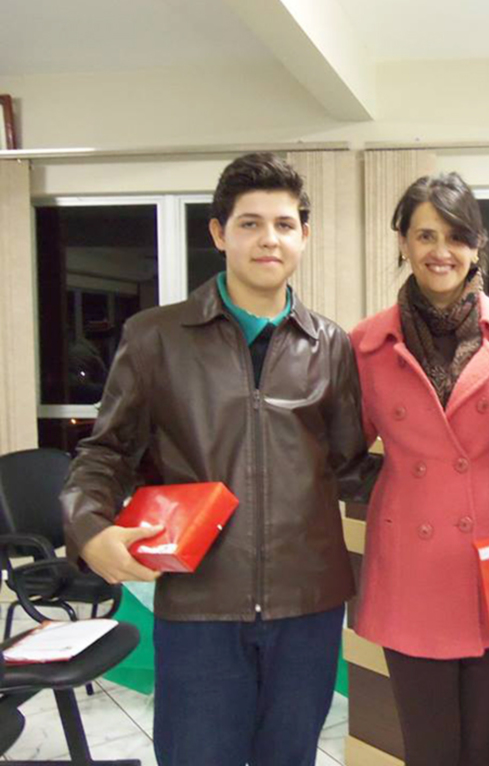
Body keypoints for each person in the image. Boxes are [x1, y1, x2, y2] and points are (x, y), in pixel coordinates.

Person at [61, 153, 378, 766]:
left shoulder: (330, 345)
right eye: (250, 224)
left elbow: (347, 466)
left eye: (284, 225)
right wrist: (89, 528)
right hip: (200, 602)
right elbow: (106, 452)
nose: (269, 239)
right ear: (219, 233)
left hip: (308, 604)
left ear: (304, 235)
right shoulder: (156, 337)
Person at [350, 172, 489, 766]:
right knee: (428, 750)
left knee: (483, 749)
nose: (440, 251)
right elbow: (339, 453)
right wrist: (396, 490)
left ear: (477, 245)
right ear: (403, 242)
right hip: (413, 568)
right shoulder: (367, 344)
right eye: (425, 235)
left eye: (456, 236)